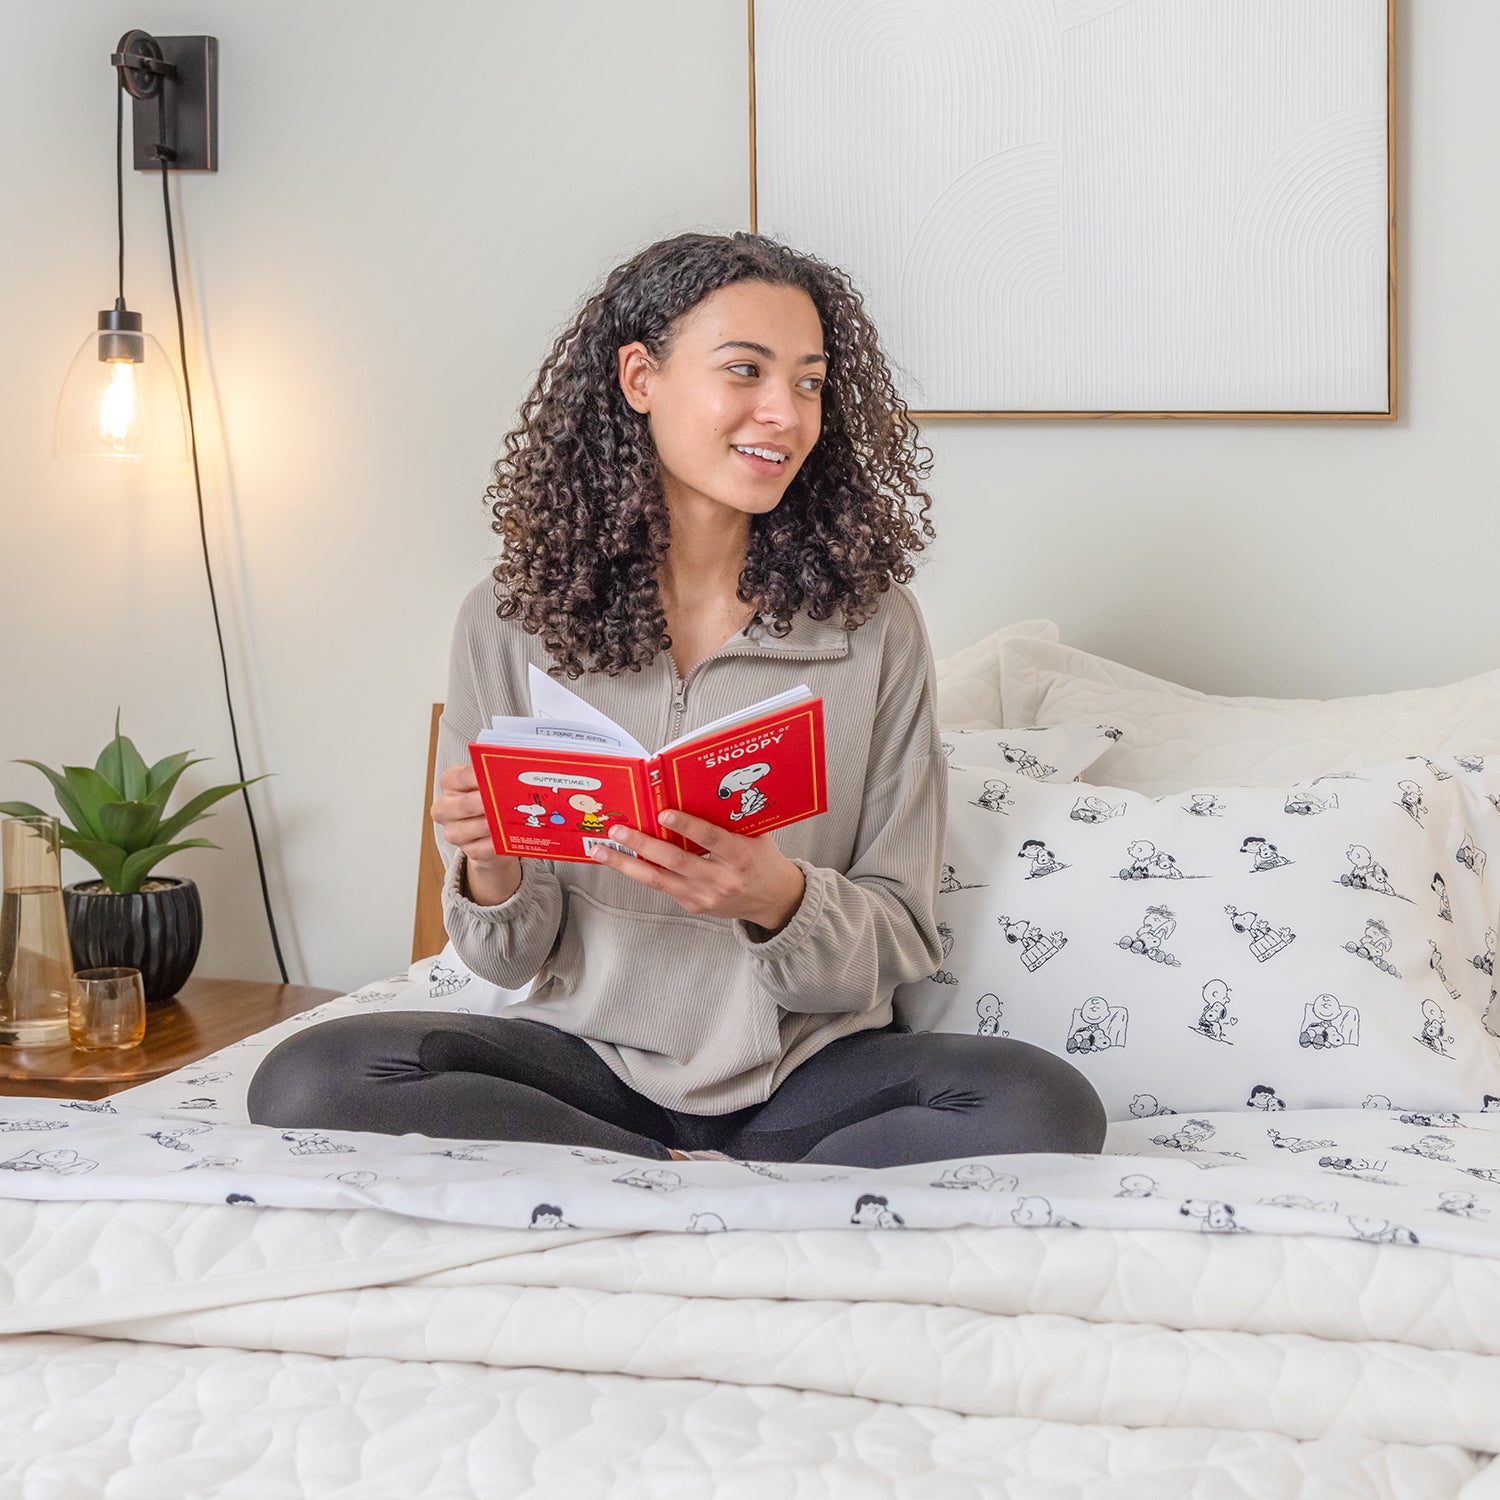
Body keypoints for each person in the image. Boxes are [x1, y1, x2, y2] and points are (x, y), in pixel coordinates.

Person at [248, 231, 1106, 1166]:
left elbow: (900, 933)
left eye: (810, 383)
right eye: (746, 371)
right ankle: (667, 1172)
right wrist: (491, 865)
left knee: (1043, 1105)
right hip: (585, 1068)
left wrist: (776, 896)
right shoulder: (507, 620)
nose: (783, 412)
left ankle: (641, 1172)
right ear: (639, 376)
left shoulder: (873, 628)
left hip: (804, 1072)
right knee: (307, 1078)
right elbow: (503, 961)